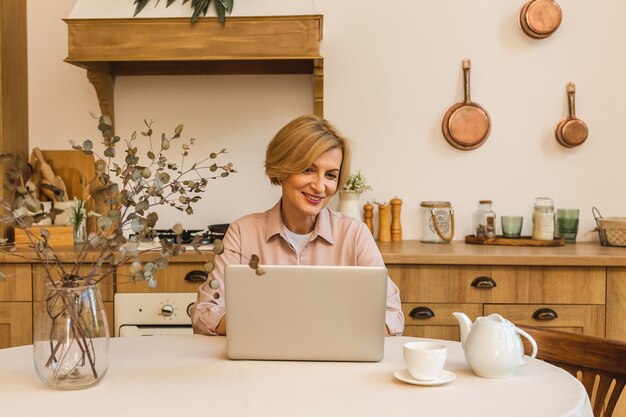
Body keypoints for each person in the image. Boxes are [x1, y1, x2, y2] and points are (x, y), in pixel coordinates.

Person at [191, 114, 404, 336]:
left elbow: (392, 316)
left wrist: (318, 328)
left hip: (335, 365)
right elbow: (204, 314)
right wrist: (279, 325)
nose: (320, 186)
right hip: (262, 365)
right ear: (282, 169)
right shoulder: (243, 233)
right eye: (308, 170)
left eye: (330, 175)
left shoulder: (354, 234)